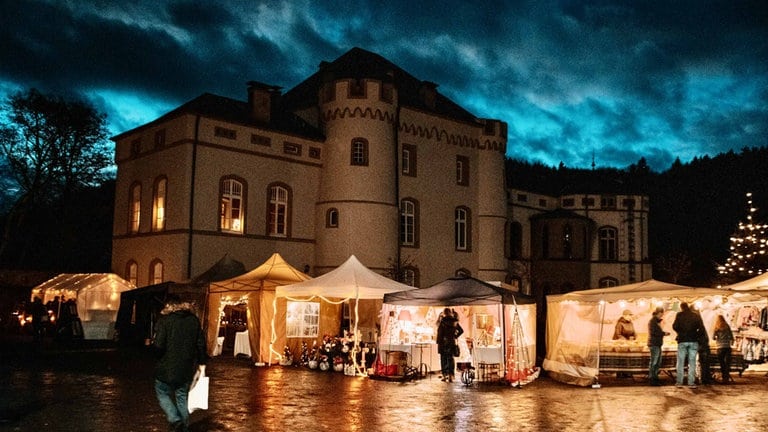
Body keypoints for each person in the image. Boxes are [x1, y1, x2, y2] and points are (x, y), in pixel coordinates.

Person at [152, 295, 207, 432]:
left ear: (170, 306)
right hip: (186, 368)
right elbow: (201, 344)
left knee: (162, 391)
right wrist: (202, 363)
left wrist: (155, 355)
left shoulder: (165, 321)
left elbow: (158, 346)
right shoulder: (194, 320)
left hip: (166, 367)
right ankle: (184, 428)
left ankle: (175, 419)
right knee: (182, 396)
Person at [672, 302, 706, 388]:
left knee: (680, 362)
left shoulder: (679, 315)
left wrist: (680, 332)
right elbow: (701, 328)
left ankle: (679, 382)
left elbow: (675, 326)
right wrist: (696, 335)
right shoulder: (695, 315)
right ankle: (691, 382)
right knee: (692, 362)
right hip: (693, 341)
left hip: (682, 340)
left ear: (681, 307)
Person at [436, 307, 463, 382]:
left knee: (443, 359)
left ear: (444, 313)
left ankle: (445, 375)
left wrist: (438, 342)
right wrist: (455, 336)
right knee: (451, 359)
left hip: (443, 343)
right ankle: (451, 375)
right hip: (452, 342)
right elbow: (461, 330)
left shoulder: (443, 321)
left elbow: (440, 333)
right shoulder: (454, 321)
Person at [647, 306, 669, 386]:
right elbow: (654, 332)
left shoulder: (656, 321)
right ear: (659, 313)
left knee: (657, 362)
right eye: (662, 314)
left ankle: (654, 377)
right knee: (654, 362)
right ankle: (652, 378)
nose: (662, 316)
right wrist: (664, 333)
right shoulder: (653, 322)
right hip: (654, 344)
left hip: (657, 344)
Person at [712, 314, 734, 384]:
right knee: (727, 363)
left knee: (722, 363)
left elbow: (713, 337)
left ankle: (724, 378)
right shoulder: (727, 326)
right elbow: (731, 336)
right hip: (727, 347)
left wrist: (717, 338)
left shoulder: (716, 327)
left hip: (720, 347)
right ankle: (726, 378)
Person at [695, 307, 714, 385]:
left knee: (703, 364)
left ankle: (704, 379)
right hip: (704, 347)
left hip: (702, 347)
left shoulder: (698, 328)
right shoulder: (701, 327)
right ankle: (705, 379)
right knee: (705, 364)